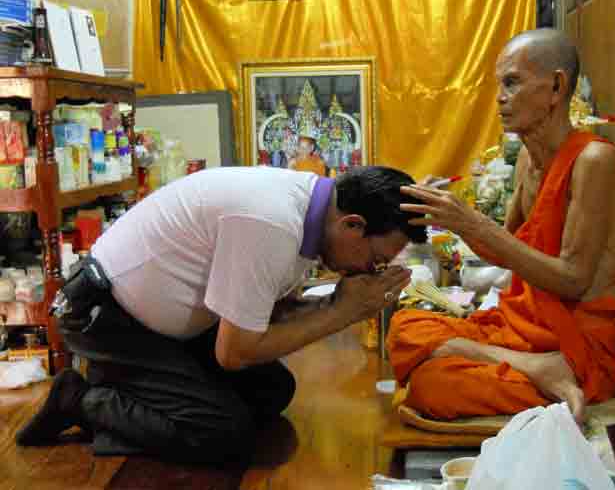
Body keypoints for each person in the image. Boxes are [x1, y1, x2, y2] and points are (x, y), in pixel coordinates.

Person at [17, 165, 426, 464]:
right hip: (108, 318)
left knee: (271, 390)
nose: (371, 269)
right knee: (223, 433)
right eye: (375, 258)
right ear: (353, 225)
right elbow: (234, 353)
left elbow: (268, 313)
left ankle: (140, 391)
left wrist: (331, 304)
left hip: (170, 320)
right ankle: (83, 399)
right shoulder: (272, 223)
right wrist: (342, 312)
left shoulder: (310, 210)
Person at [388, 28, 615, 423]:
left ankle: (549, 369)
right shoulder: (528, 160)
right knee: (404, 327)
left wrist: (473, 222)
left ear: (556, 87)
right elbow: (505, 249)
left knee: (433, 385)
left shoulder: (594, 160)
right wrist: (451, 217)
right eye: (499, 85)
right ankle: (538, 369)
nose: (500, 97)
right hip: (526, 331)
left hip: (577, 341)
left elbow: (574, 279)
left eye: (512, 83)